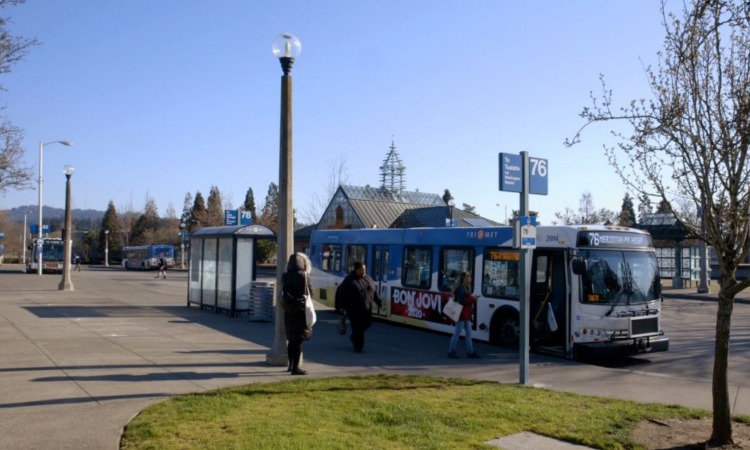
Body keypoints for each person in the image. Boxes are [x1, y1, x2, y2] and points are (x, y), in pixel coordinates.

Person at [335, 261, 381, 353]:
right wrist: (341, 307)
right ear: (355, 270)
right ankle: (358, 346)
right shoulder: (349, 280)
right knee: (357, 328)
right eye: (361, 270)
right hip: (354, 309)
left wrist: (378, 301)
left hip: (367, 308)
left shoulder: (367, 278)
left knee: (367, 323)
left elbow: (374, 290)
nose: (363, 271)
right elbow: (342, 294)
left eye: (364, 269)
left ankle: (353, 337)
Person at [281, 252, 313, 375]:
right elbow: (311, 292)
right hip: (301, 311)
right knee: (298, 341)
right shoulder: (304, 276)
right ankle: (296, 367)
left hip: (289, 311)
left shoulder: (285, 276)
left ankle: (290, 365)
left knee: (291, 339)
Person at [447, 271, 481, 359]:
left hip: (465, 314)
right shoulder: (462, 288)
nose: (471, 279)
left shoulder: (464, 287)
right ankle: (451, 351)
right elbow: (463, 301)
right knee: (457, 333)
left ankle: (470, 351)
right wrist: (473, 300)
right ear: (465, 278)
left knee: (468, 334)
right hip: (462, 314)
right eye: (469, 277)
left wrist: (473, 298)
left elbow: (465, 299)